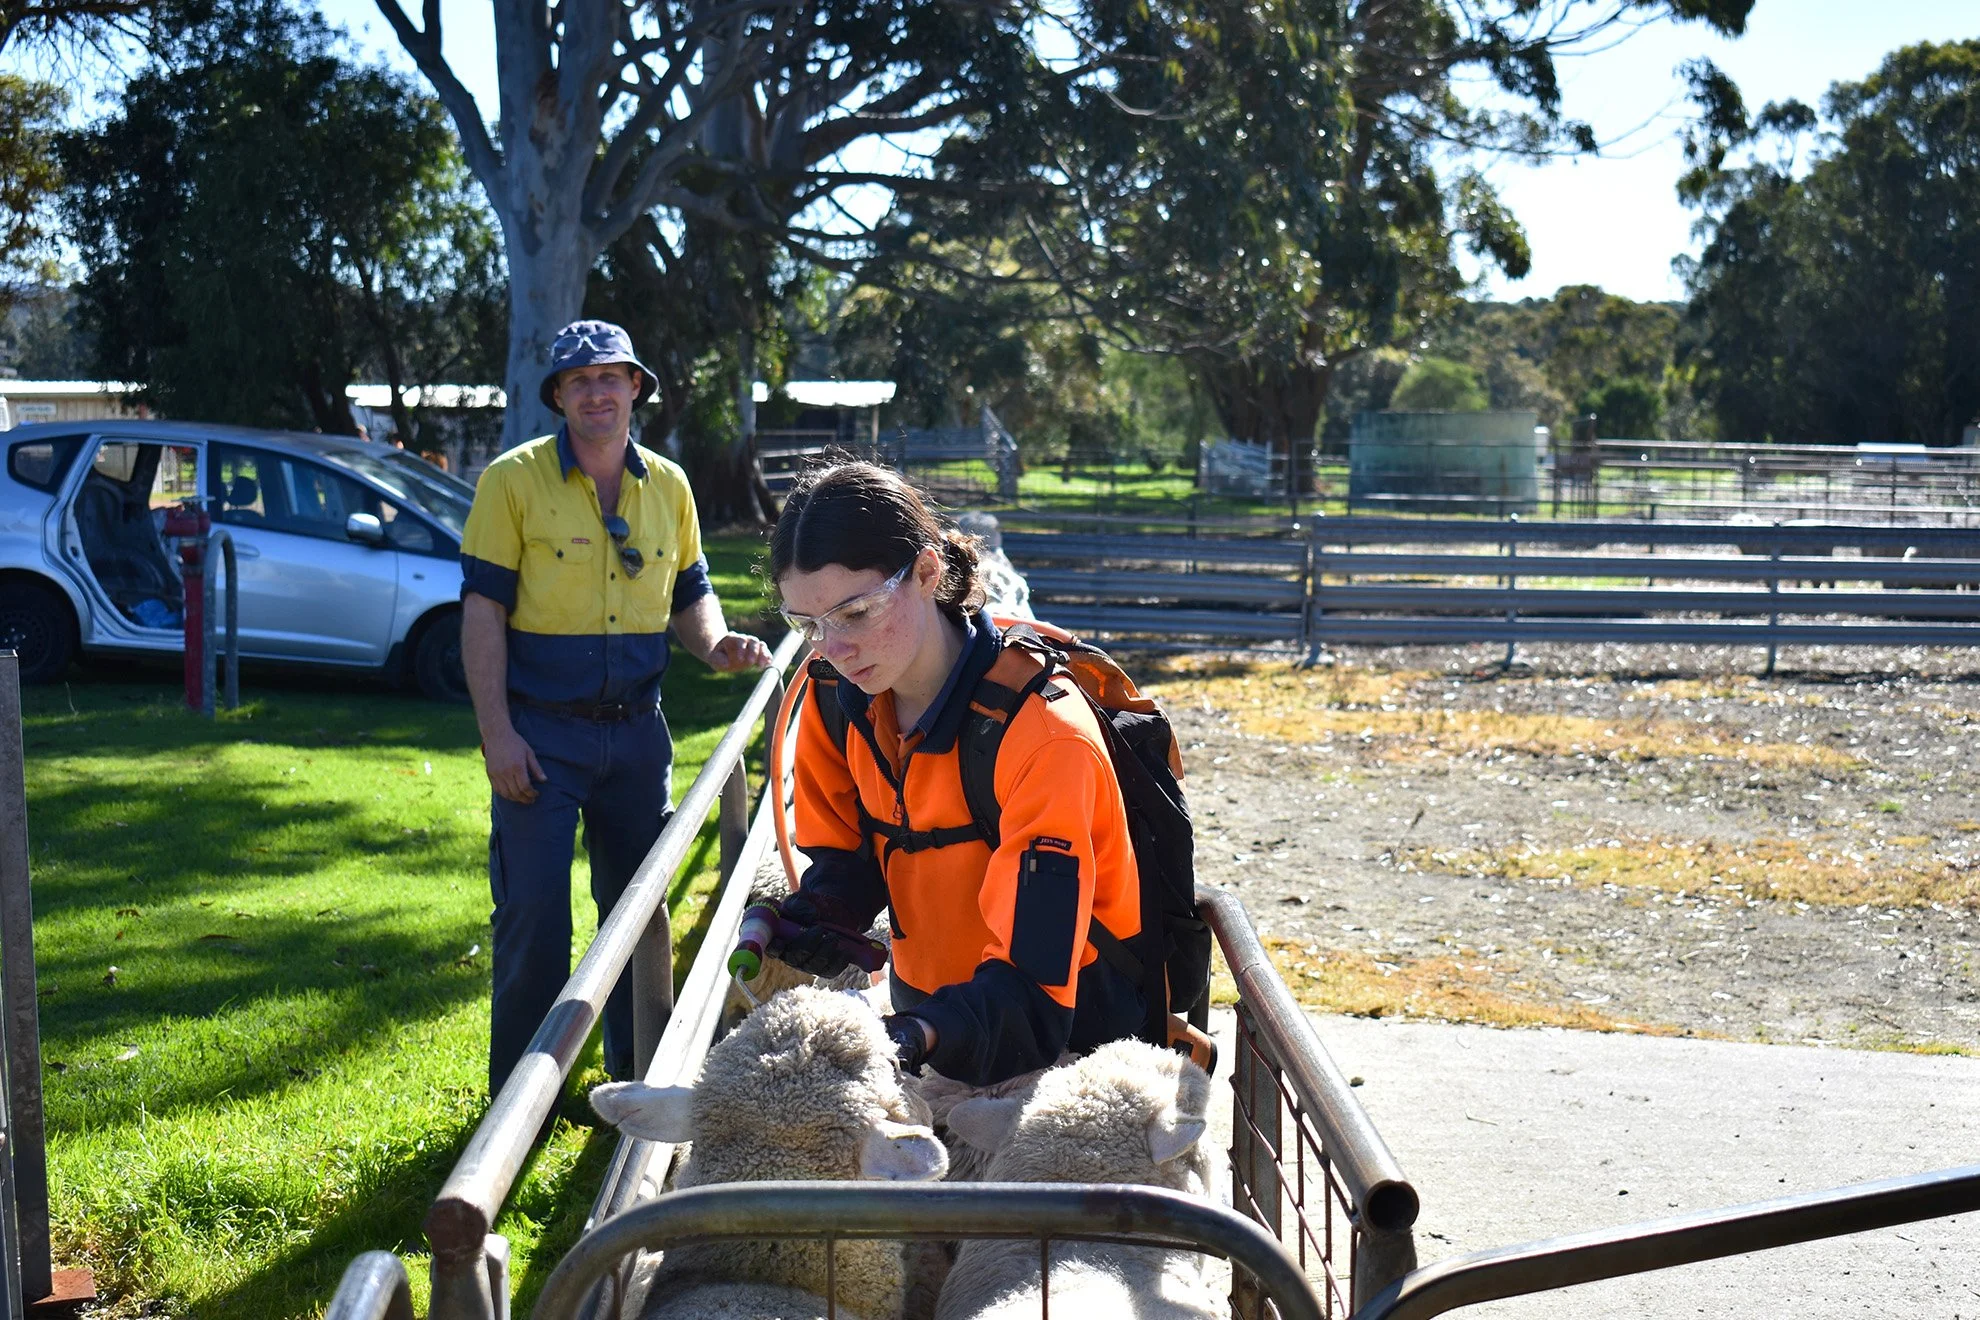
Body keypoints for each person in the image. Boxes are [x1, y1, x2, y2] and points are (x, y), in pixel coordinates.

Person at [459, 318, 772, 1094]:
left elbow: (691, 594)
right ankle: (519, 1100)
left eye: (610, 377)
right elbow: (481, 614)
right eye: (579, 381)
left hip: (638, 738)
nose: (596, 392)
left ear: (636, 388)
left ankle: (634, 1078)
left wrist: (717, 645)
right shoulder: (512, 480)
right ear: (558, 396)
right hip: (539, 736)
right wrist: (498, 734)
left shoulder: (669, 485)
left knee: (638, 914)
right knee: (534, 918)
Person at [769, 462, 1144, 1087]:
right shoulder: (836, 697)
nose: (833, 648)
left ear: (926, 572)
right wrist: (827, 911)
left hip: (1069, 1053)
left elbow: (1036, 974)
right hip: (926, 1028)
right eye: (807, 625)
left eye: (856, 612)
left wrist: (915, 1034)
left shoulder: (1045, 735)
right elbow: (846, 854)